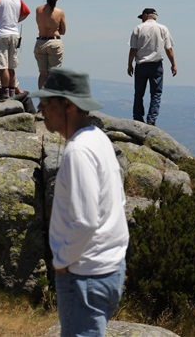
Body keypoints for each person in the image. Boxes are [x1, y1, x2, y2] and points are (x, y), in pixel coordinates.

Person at [31, 68, 129, 336]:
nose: (40, 108)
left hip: (85, 274)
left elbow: (86, 221)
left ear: (69, 105)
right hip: (109, 268)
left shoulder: (78, 152)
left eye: (47, 101)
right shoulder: (99, 138)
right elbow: (118, 202)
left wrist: (62, 261)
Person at [127, 7, 177, 125]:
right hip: (156, 65)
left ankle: (138, 118)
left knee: (139, 93)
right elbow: (168, 49)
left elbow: (133, 49)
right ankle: (151, 120)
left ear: (146, 16)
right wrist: (173, 65)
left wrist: (129, 64)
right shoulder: (163, 28)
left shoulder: (138, 28)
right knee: (156, 94)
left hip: (141, 64)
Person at [34, 0, 67, 89]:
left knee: (43, 73)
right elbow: (63, 31)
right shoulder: (60, 12)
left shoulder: (38, 10)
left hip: (41, 41)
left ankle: (43, 99)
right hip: (54, 41)